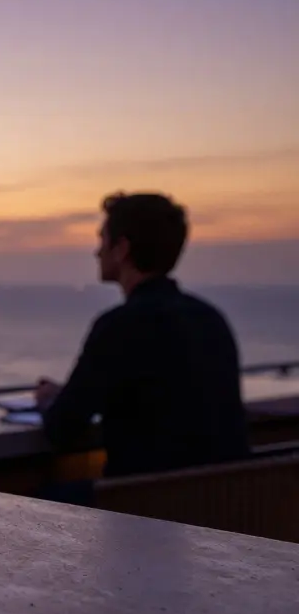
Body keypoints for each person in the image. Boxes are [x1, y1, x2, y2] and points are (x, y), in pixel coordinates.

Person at [35, 192, 250, 498]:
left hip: (146, 512)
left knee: (22, 510)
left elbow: (62, 428)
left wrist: (47, 400)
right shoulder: (210, 319)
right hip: (222, 507)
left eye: (102, 240)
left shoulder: (120, 326)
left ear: (121, 249)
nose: (96, 253)